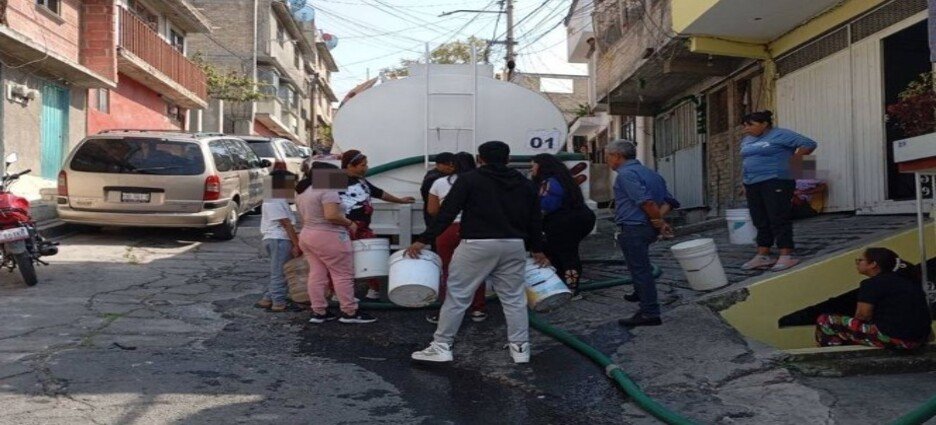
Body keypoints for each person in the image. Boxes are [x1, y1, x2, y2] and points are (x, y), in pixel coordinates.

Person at [406, 141, 548, 364]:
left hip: (476, 243)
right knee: (513, 298)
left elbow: (447, 212)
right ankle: (520, 348)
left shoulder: (469, 179)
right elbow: (534, 219)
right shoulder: (524, 182)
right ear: (508, 159)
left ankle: (442, 345)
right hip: (513, 244)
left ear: (480, 159)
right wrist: (538, 249)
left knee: (458, 295)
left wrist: (423, 240)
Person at [296, 162, 376, 324]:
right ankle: (350, 312)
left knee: (317, 274)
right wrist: (349, 223)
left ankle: (319, 311)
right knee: (342, 275)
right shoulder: (327, 191)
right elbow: (332, 215)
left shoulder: (303, 191)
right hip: (329, 235)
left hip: (307, 235)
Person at [606, 140, 675, 328]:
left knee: (640, 269)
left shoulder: (626, 175)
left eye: (608, 157)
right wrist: (657, 220)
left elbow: (646, 203)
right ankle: (639, 292)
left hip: (634, 227)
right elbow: (669, 201)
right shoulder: (651, 173)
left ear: (617, 156)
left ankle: (649, 312)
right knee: (637, 265)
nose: (608, 161)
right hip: (645, 226)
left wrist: (657, 221)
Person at [739, 110, 818, 272]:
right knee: (759, 219)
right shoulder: (747, 140)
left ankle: (786, 255)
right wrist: (744, 182)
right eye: (744, 125)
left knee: (778, 217)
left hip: (776, 179)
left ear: (764, 124)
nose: (746, 128)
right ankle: (763, 254)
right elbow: (747, 160)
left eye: (750, 125)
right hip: (752, 183)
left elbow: (810, 144)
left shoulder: (781, 134)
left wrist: (794, 165)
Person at [815, 248, 932, 349]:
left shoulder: (871, 284)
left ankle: (836, 357)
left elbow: (862, 316)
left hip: (896, 339)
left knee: (826, 320)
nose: (857, 263)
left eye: (860, 260)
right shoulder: (907, 280)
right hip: (920, 339)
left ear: (873, 264)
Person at [340, 150, 416, 300]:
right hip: (342, 228)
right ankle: (341, 293)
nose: (366, 167)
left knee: (370, 259)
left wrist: (400, 200)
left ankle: (373, 289)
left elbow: (379, 193)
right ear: (350, 165)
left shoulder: (361, 180)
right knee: (342, 261)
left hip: (363, 227)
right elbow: (317, 198)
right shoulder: (334, 179)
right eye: (363, 165)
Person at [425, 152, 487, 324]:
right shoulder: (480, 181)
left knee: (448, 270)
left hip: (447, 229)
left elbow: (432, 210)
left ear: (454, 164)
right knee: (476, 270)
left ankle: (448, 309)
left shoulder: (439, 182)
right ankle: (478, 308)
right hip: (474, 230)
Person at [530, 153, 597, 298]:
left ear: (541, 166)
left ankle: (571, 289)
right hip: (581, 219)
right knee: (562, 253)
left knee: (566, 255)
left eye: (533, 165)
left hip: (563, 224)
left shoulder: (549, 183)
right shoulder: (564, 180)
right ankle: (567, 286)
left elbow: (545, 207)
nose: (532, 169)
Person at [256, 170, 301, 313]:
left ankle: (268, 298)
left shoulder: (276, 199)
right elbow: (286, 224)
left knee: (279, 271)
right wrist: (296, 244)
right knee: (280, 272)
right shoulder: (274, 200)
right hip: (279, 239)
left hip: (277, 238)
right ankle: (279, 302)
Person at [420, 152, 456, 229]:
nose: (450, 167)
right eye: (447, 164)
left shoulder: (433, 175)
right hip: (437, 215)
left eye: (453, 164)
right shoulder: (433, 179)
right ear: (438, 164)